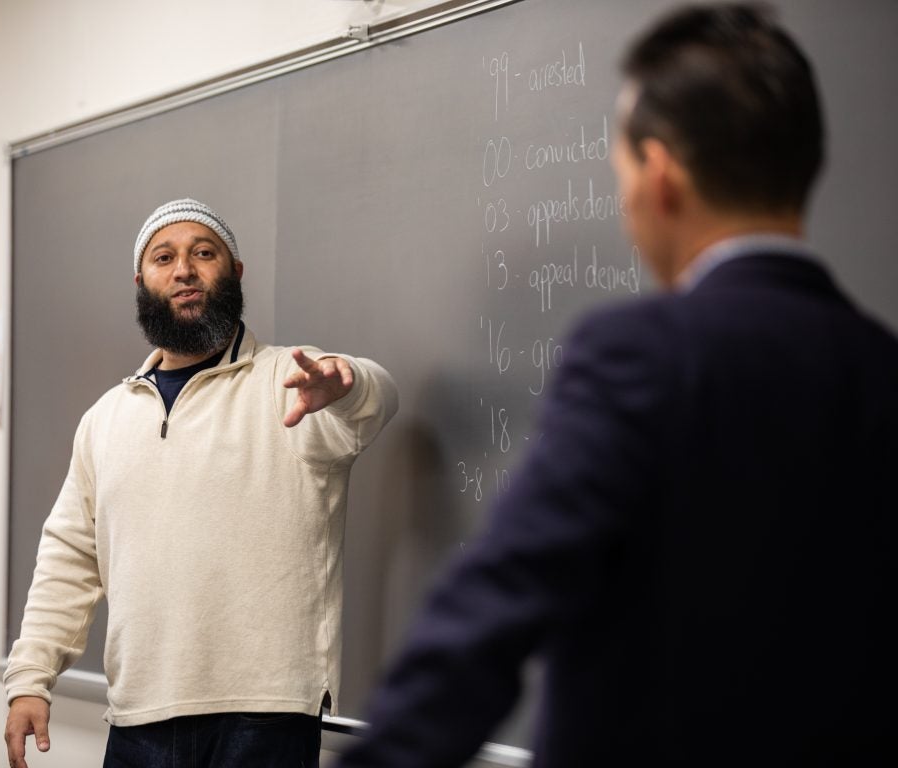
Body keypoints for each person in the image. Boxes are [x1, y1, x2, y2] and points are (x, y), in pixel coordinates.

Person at [336, 4, 897, 767]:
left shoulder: (641, 354)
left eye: (622, 173)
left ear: (659, 176)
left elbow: (496, 605)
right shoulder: (879, 365)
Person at [3, 198, 399, 768]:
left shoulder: (291, 380)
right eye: (165, 257)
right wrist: (29, 677)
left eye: (203, 253)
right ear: (142, 283)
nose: (184, 269)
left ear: (234, 273)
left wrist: (352, 384)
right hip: (137, 715)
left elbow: (374, 398)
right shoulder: (106, 417)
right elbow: (69, 556)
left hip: (266, 716)